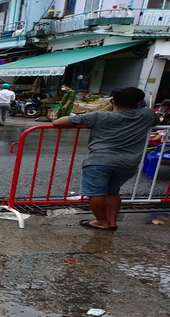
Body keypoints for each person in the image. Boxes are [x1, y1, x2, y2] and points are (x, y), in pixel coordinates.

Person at [52, 87, 159, 230]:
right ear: (139, 102)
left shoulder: (98, 116)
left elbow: (58, 122)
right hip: (128, 163)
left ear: (112, 100)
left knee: (96, 192)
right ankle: (112, 221)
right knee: (113, 192)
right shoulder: (147, 114)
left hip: (99, 161)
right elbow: (155, 120)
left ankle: (101, 221)